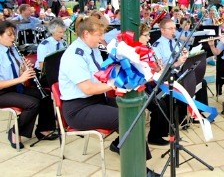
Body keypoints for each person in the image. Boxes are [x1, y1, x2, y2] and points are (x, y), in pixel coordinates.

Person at [58, 15, 156, 169]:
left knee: (135, 111)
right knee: (125, 118)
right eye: (99, 35)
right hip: (78, 109)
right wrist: (115, 85)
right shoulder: (74, 56)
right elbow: (88, 88)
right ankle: (139, 167)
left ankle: (119, 145)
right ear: (86, 34)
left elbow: (104, 73)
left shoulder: (92, 48)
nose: (102, 38)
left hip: (96, 100)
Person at [0, 20, 58, 150]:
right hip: (3, 92)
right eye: (9, 35)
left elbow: (16, 72)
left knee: (46, 95)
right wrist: (21, 78)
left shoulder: (12, 49)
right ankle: (15, 131)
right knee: (32, 103)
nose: (13, 38)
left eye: (14, 34)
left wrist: (24, 69)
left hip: (15, 88)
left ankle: (43, 129)